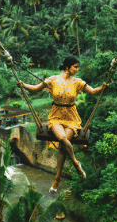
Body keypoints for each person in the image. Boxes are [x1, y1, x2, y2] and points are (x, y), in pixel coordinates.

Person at [16, 56, 108, 193]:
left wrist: (102, 87)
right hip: (56, 117)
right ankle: (76, 164)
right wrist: (23, 85)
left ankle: (57, 179)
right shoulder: (53, 80)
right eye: (75, 67)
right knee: (62, 138)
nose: (77, 69)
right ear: (67, 67)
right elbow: (35, 89)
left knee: (63, 145)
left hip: (72, 118)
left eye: (77, 67)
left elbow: (93, 91)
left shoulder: (78, 82)